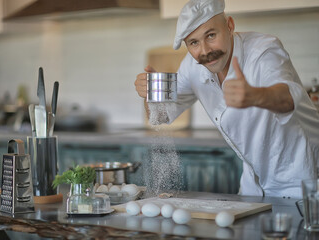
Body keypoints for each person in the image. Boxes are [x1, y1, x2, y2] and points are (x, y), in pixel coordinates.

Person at [134, 0, 319, 198]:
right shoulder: (191, 65)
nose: (204, 51)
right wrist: (151, 93)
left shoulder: (264, 49)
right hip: (253, 185)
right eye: (193, 42)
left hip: (303, 180)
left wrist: (255, 96)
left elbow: (288, 98)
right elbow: (160, 116)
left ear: (230, 25)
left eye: (211, 35)